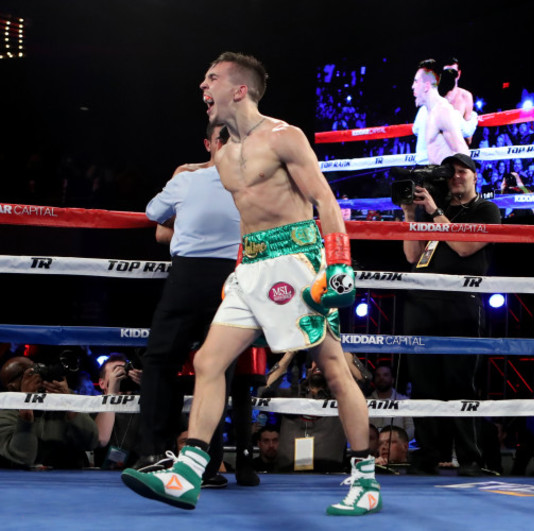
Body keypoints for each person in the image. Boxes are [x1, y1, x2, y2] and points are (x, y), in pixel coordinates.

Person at [122, 52, 381, 516]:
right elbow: (222, 209)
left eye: (212, 78)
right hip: (249, 266)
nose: (203, 85)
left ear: (239, 89)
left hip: (298, 260)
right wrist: (186, 176)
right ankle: (187, 473)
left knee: (336, 370)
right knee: (208, 360)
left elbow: (324, 197)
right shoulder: (219, 157)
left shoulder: (285, 136)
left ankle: (365, 480)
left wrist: (339, 263)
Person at [138, 122, 258, 488]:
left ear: (211, 144)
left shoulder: (188, 179)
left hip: (189, 276)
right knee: (217, 370)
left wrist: (186, 206)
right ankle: (207, 464)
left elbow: (152, 217)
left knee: (160, 361)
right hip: (233, 280)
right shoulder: (253, 184)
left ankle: (155, 453)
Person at [400, 153, 501, 476]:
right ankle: (428, 454)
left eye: (462, 172)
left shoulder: (486, 210)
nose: (455, 177)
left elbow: (464, 247)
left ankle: (470, 458)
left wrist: (435, 212)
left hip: (459, 301)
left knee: (460, 382)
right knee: (424, 383)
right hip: (422, 301)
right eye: (450, 173)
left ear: (475, 176)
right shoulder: (434, 214)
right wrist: (409, 215)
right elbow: (413, 256)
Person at [0, 356, 98, 469]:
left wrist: (69, 404)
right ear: (12, 387)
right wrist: (26, 404)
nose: (38, 376)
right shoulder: (4, 412)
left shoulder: (62, 397)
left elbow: (90, 442)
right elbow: (23, 457)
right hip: (25, 482)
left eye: (36, 368)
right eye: (29, 373)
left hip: (70, 476)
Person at [411, 59, 469, 165]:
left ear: (427, 86)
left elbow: (462, 151)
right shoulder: (426, 110)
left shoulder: (443, 111)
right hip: (428, 171)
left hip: (438, 174)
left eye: (416, 81)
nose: (412, 86)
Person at [93, 353, 143, 469]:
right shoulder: (94, 404)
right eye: (116, 370)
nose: (122, 373)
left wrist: (147, 386)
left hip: (140, 472)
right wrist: (112, 393)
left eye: (125, 370)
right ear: (102, 383)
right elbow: (101, 439)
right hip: (103, 475)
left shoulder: (143, 401)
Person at [368, 363, 414, 440]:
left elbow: (410, 428)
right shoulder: (366, 402)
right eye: (378, 375)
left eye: (385, 375)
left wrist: (398, 440)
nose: (381, 378)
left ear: (392, 380)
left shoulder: (403, 401)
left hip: (397, 448)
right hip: (372, 447)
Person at [439, 58, 478, 145]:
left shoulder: (465, 96)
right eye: (447, 74)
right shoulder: (436, 97)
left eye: (453, 73)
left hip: (457, 150)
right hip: (438, 150)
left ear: (459, 74)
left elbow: (468, 137)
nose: (450, 77)